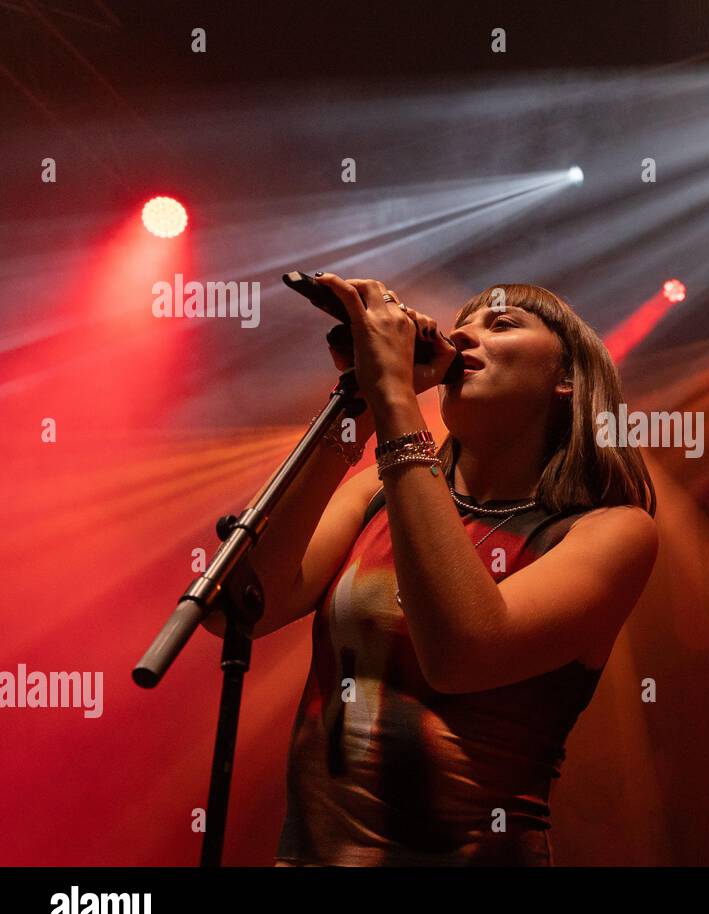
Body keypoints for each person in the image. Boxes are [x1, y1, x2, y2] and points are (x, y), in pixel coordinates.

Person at [205, 277, 657, 865]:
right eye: (463, 322)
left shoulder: (609, 530)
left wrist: (395, 396)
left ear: (567, 379)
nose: (464, 332)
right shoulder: (377, 492)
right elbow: (240, 605)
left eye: (502, 324)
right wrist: (362, 407)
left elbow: (461, 653)